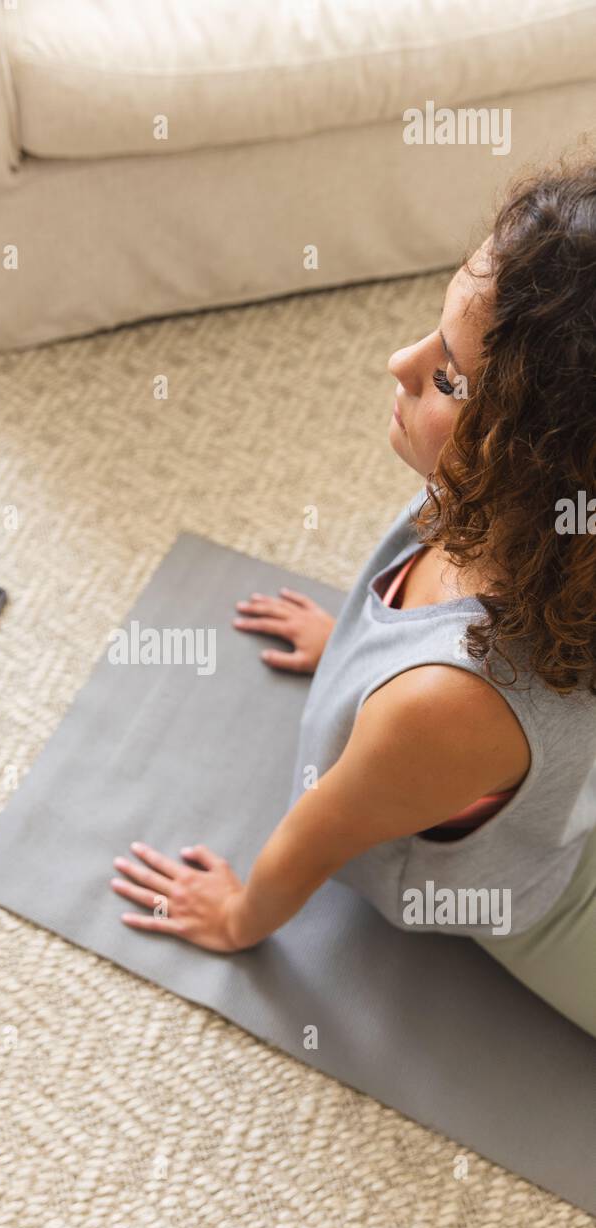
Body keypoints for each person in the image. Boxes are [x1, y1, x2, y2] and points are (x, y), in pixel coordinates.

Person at [110, 158, 596, 1037]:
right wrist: (361, 642)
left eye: (448, 378)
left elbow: (320, 832)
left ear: (538, 463)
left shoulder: (446, 708)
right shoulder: (517, 518)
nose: (398, 361)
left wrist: (237, 918)